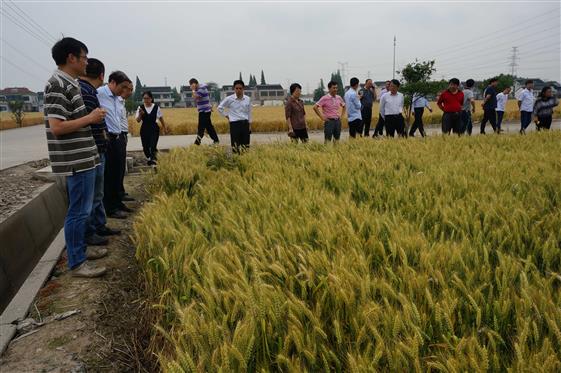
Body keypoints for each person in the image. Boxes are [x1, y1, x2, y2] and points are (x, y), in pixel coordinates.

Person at [44, 37, 107, 278]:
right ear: (71, 58)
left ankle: (81, 251)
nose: (86, 62)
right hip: (75, 160)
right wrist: (91, 119)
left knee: (83, 209)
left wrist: (91, 118)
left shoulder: (70, 83)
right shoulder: (57, 84)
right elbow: (57, 127)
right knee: (78, 212)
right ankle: (77, 262)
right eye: (84, 57)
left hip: (84, 157)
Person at [78, 58, 120, 247]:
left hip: (97, 148)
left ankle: (99, 225)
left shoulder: (89, 92)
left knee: (97, 194)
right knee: (92, 195)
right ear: (102, 75)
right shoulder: (86, 92)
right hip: (93, 151)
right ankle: (90, 232)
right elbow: (90, 121)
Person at [97, 71, 132, 218]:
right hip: (108, 138)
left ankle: (117, 203)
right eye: (122, 87)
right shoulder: (99, 94)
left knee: (118, 172)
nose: (124, 91)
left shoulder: (117, 99)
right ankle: (110, 208)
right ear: (112, 82)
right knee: (110, 175)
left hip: (118, 137)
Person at [217, 80, 252, 153]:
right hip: (234, 124)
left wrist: (250, 125)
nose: (238, 90)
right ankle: (236, 160)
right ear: (234, 89)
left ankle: (245, 160)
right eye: (237, 88)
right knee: (235, 145)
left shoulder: (247, 99)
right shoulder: (229, 99)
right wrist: (227, 116)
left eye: (240, 88)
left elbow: (249, 112)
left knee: (246, 145)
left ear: (243, 89)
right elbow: (220, 108)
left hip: (245, 124)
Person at [136, 91, 167, 163]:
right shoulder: (140, 108)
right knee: (145, 147)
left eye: (147, 98)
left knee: (153, 145)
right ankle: (151, 157)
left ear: (151, 98)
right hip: (144, 129)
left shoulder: (156, 107)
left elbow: (161, 118)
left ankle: (153, 160)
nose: (146, 100)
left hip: (154, 128)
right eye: (144, 98)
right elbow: (138, 120)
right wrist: (140, 114)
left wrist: (164, 127)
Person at [118, 81, 134, 204]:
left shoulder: (122, 102)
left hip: (123, 135)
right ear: (123, 88)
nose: (131, 92)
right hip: (117, 136)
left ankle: (121, 192)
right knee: (116, 168)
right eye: (129, 89)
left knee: (121, 167)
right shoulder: (115, 100)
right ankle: (117, 196)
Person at [190, 78, 219, 145]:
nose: (191, 87)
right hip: (205, 110)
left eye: (191, 85)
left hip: (204, 111)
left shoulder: (201, 89)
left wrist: (193, 90)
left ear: (194, 84)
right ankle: (216, 140)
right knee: (209, 127)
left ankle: (197, 142)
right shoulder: (200, 88)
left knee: (201, 127)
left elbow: (195, 97)